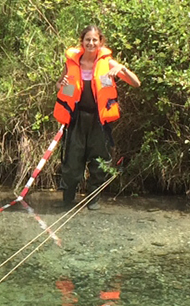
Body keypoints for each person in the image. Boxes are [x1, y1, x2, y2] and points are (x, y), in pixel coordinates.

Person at [54, 26, 140, 210]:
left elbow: (136, 83)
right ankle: (68, 199)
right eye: (87, 39)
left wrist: (122, 68)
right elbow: (59, 85)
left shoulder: (108, 64)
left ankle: (93, 199)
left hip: (99, 121)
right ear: (82, 41)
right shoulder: (72, 63)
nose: (91, 43)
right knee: (72, 160)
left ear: (100, 42)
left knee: (99, 162)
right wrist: (62, 85)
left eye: (95, 40)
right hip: (77, 119)